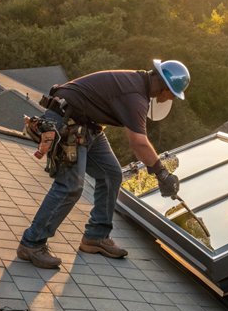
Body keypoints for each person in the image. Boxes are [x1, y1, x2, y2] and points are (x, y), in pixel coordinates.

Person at [16, 59, 190, 269]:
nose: (171, 98)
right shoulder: (136, 96)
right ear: (164, 88)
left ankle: (96, 237)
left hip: (88, 124)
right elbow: (139, 143)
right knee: (70, 186)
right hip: (67, 122)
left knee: (111, 174)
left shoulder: (138, 83)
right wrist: (162, 173)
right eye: (173, 94)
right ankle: (32, 243)